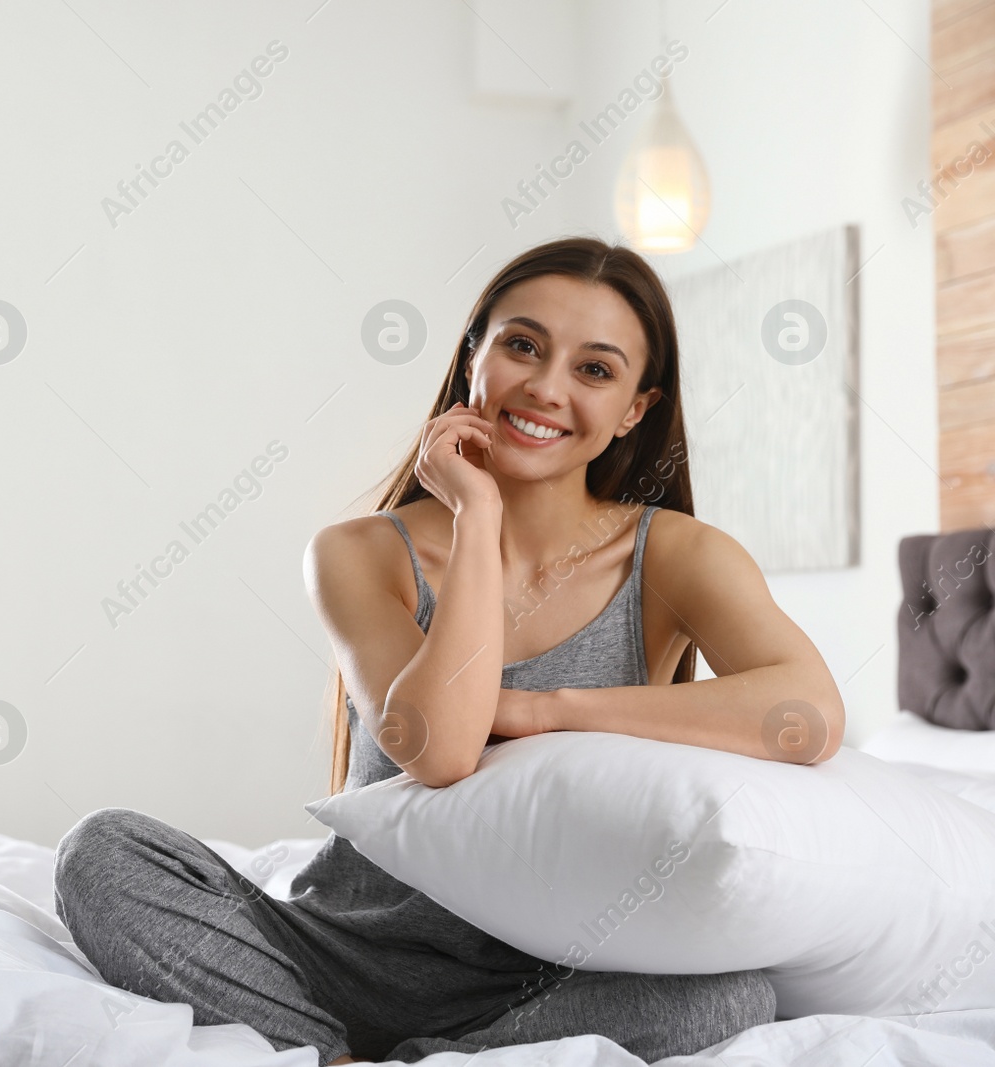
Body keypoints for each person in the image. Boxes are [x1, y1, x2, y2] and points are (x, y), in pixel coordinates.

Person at [52, 236, 845, 1065]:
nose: (545, 386)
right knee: (101, 852)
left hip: (544, 982)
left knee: (730, 996)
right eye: (522, 345)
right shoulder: (358, 551)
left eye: (595, 370)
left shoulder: (675, 555)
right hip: (335, 955)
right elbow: (440, 749)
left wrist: (544, 709)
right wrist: (477, 519)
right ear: (475, 356)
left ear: (634, 412)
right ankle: (329, 1051)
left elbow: (808, 713)